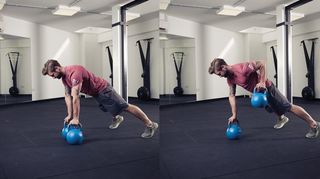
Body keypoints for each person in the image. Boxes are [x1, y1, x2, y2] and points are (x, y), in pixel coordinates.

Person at [42, 59, 158, 138]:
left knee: (125, 107)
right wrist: (69, 115)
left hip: (103, 89)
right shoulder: (64, 78)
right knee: (106, 106)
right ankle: (117, 118)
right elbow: (67, 95)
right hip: (95, 93)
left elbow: (75, 97)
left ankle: (150, 124)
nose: (52, 77)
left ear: (57, 68)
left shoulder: (75, 72)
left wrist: (76, 118)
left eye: (52, 75)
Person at [208, 58, 320, 139]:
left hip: (268, 89)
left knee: (288, 106)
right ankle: (282, 118)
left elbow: (262, 63)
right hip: (259, 95)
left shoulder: (242, 68)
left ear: (223, 67)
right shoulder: (230, 79)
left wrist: (261, 82)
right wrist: (234, 115)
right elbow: (232, 95)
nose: (220, 76)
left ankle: (314, 124)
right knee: (269, 107)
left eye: (219, 74)